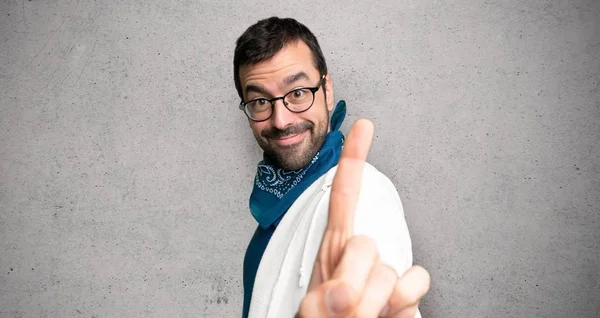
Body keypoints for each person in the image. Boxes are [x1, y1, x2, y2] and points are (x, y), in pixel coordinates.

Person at [234, 17, 430, 317]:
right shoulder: (274, 203)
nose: (281, 120)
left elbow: (370, 282)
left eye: (297, 93)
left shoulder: (362, 194)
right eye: (260, 101)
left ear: (326, 91)